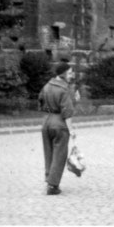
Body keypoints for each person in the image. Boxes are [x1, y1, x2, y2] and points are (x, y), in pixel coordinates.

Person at [39, 62, 76, 195]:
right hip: (59, 123)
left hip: (46, 122)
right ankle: (53, 185)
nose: (72, 75)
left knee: (48, 153)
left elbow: (40, 102)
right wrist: (71, 130)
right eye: (70, 72)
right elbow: (67, 112)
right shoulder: (64, 89)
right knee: (59, 155)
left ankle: (49, 178)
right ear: (63, 74)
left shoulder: (47, 86)